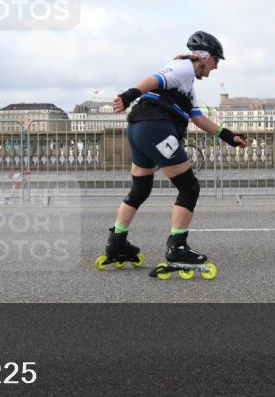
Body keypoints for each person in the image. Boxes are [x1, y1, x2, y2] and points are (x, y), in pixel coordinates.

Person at [97, 31, 250, 278]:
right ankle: (177, 248)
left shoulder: (188, 83)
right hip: (155, 127)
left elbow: (197, 117)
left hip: (138, 128)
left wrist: (227, 136)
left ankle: (117, 242)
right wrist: (129, 94)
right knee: (189, 187)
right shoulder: (183, 68)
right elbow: (153, 80)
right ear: (203, 57)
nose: (216, 67)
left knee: (140, 188)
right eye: (216, 61)